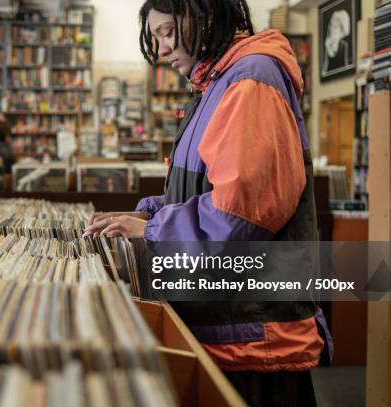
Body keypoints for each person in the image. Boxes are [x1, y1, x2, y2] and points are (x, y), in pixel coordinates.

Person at [84, 1, 330, 405]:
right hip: (229, 329)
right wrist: (146, 214)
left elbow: (241, 211)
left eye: (166, 32)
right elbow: (206, 191)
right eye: (156, 36)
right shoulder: (216, 84)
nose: (161, 50)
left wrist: (152, 230)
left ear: (205, 19)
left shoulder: (251, 79)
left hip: (251, 338)